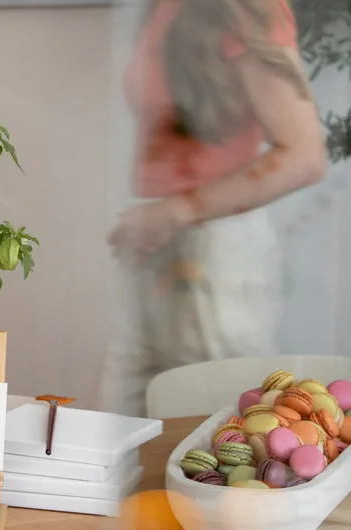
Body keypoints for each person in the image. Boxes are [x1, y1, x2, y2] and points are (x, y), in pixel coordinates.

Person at [101, 0, 328, 417]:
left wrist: (175, 211)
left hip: (210, 252)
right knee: (128, 428)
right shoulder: (161, 6)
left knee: (214, 428)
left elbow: (305, 156)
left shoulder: (245, 6)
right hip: (150, 240)